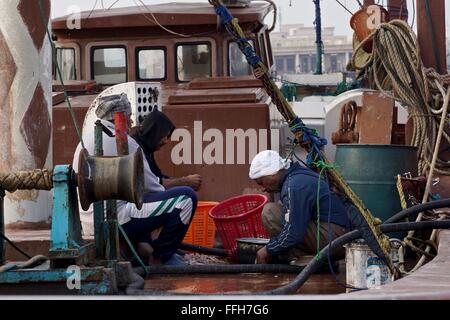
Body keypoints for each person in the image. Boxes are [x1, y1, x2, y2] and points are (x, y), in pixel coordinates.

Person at [73, 93, 197, 266]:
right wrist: (184, 183)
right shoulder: (126, 142)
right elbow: (153, 188)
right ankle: (160, 257)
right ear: (121, 117)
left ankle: (146, 248)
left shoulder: (84, 139)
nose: (131, 122)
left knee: (143, 205)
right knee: (186, 198)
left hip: (87, 223)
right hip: (116, 220)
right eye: (129, 117)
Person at [248, 150, 352, 265]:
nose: (263, 188)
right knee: (283, 214)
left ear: (272, 173)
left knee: (270, 212)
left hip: (336, 239)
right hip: (338, 235)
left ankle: (302, 260)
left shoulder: (294, 185)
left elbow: (293, 233)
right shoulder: (297, 176)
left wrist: (268, 250)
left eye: (261, 182)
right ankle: (300, 258)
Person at [130, 109, 202, 191]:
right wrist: (185, 181)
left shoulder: (147, 148)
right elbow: (153, 184)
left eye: (168, 137)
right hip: (138, 200)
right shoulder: (136, 147)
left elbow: (158, 176)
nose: (165, 141)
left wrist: (184, 182)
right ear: (154, 132)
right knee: (187, 193)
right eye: (163, 136)